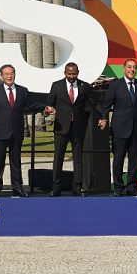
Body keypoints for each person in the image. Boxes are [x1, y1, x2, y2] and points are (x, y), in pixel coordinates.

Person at [0, 64, 47, 197]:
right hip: (1, 132)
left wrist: (45, 107)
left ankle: (17, 187)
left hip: (17, 132)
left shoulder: (22, 91)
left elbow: (32, 104)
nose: (9, 76)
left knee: (16, 162)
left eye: (11, 73)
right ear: (1, 76)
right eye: (6, 74)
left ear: (15, 74)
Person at [97, 58, 137, 196]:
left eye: (134, 67)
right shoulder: (115, 85)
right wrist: (104, 118)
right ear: (124, 69)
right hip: (120, 129)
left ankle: (131, 187)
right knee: (118, 160)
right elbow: (107, 104)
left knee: (134, 161)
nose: (132, 69)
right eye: (129, 67)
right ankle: (118, 188)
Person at [44, 62, 97, 197]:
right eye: (69, 74)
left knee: (78, 158)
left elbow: (94, 102)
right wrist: (47, 111)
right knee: (58, 158)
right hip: (61, 127)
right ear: (65, 73)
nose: (72, 76)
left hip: (78, 128)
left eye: (74, 74)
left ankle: (77, 187)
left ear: (78, 73)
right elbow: (49, 104)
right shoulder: (57, 86)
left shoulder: (84, 86)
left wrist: (103, 116)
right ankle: (56, 188)